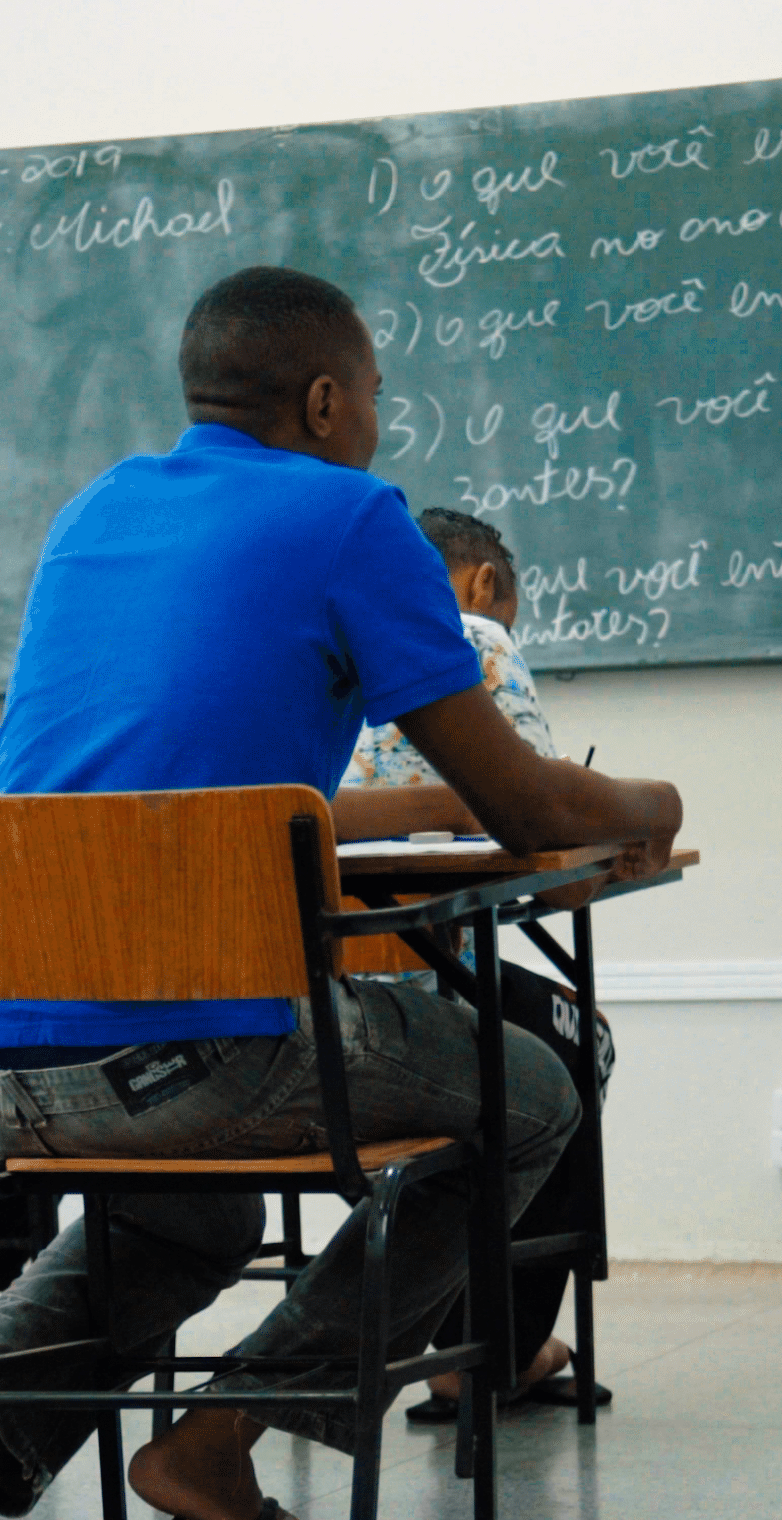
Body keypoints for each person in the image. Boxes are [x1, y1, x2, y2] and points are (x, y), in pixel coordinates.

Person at [0, 265, 681, 1520]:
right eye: (378, 401)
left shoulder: (98, 511)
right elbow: (528, 798)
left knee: (200, 1211)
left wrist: (410, 798)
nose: (380, 428)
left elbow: (205, 803)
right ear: (330, 398)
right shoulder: (353, 518)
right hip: (193, 1042)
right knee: (531, 1094)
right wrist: (647, 803)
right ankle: (220, 1436)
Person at [338, 504, 610, 1422]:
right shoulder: (469, 632)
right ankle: (496, 1346)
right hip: (408, 985)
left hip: (298, 985)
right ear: (485, 581)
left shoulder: (317, 633)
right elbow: (543, 836)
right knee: (579, 1044)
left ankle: (470, 1328)